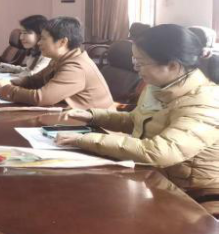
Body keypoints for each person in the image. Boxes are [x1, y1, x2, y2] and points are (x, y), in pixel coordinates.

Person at [56, 24, 219, 204]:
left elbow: (161, 152)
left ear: (172, 65)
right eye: (135, 61)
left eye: (141, 63)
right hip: (155, 178)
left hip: (195, 194)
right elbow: (136, 121)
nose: (136, 68)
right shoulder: (159, 87)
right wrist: (92, 115)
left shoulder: (205, 102)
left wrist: (84, 140)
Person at [0, 17, 114, 109]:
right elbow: (34, 80)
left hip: (94, 127)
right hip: (72, 116)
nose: (39, 43)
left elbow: (40, 98)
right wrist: (10, 82)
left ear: (62, 42)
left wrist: (6, 88)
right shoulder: (60, 59)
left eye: (43, 39)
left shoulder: (76, 66)